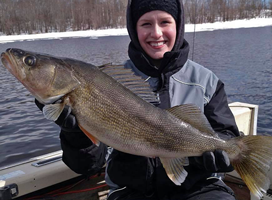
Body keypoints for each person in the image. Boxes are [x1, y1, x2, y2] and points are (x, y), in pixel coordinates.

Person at [35, 0, 240, 199]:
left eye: (165, 22)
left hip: (200, 187)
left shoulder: (206, 81)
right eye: (146, 24)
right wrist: (75, 135)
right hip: (131, 190)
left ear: (178, 25)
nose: (156, 33)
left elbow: (226, 134)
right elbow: (88, 166)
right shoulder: (111, 81)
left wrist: (219, 158)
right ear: (133, 29)